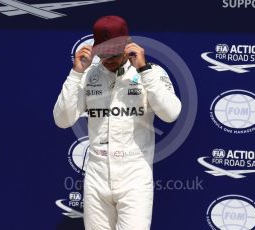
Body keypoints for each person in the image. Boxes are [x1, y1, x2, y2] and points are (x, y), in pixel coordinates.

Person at [53, 15, 181, 230]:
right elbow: (62, 120)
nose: (109, 59)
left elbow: (171, 113)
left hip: (134, 174)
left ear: (128, 45)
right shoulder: (87, 75)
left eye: (113, 52)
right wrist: (75, 74)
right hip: (97, 173)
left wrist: (144, 71)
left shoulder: (151, 73)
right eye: (103, 53)